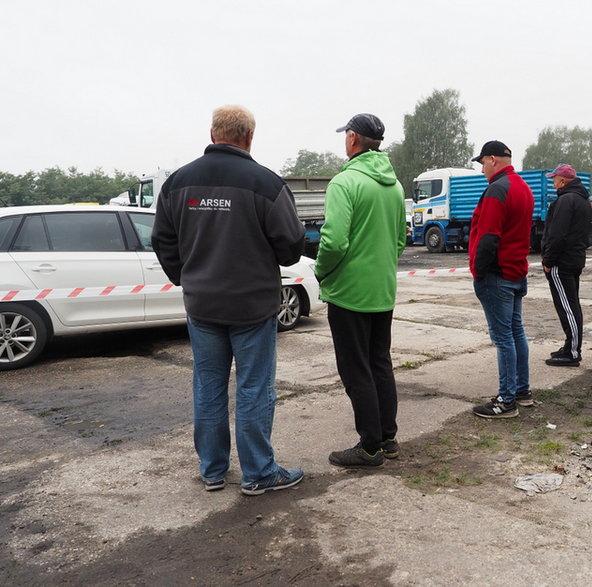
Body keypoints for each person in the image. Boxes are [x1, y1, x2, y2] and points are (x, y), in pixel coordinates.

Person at [151, 105, 307, 495]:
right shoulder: (266, 183)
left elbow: (162, 240)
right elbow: (290, 247)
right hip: (253, 308)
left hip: (202, 306)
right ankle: (258, 472)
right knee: (254, 387)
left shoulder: (177, 183)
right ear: (249, 137)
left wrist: (185, 277)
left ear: (212, 133)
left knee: (208, 386)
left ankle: (213, 470)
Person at [316, 113, 407, 468]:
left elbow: (335, 241)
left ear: (353, 139)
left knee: (356, 370)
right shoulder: (395, 186)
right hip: (382, 291)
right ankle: (388, 438)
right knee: (380, 364)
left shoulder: (345, 182)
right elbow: (400, 240)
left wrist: (322, 271)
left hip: (349, 293)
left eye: (346, 136)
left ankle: (369, 447)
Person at [468, 141, 535, 419]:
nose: (482, 169)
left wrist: (479, 272)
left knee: (504, 337)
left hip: (498, 275)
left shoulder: (497, 189)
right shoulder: (523, 187)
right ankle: (522, 391)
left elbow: (488, 237)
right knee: (515, 332)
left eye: (482, 162)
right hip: (516, 270)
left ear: (493, 159)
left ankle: (506, 400)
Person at [541, 164, 592, 367]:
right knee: (571, 304)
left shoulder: (565, 201)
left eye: (555, 179)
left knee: (567, 307)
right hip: (574, 259)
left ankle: (572, 352)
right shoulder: (582, 200)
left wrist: (548, 261)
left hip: (561, 262)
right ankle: (570, 345)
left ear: (563, 180)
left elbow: (557, 234)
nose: (553, 182)